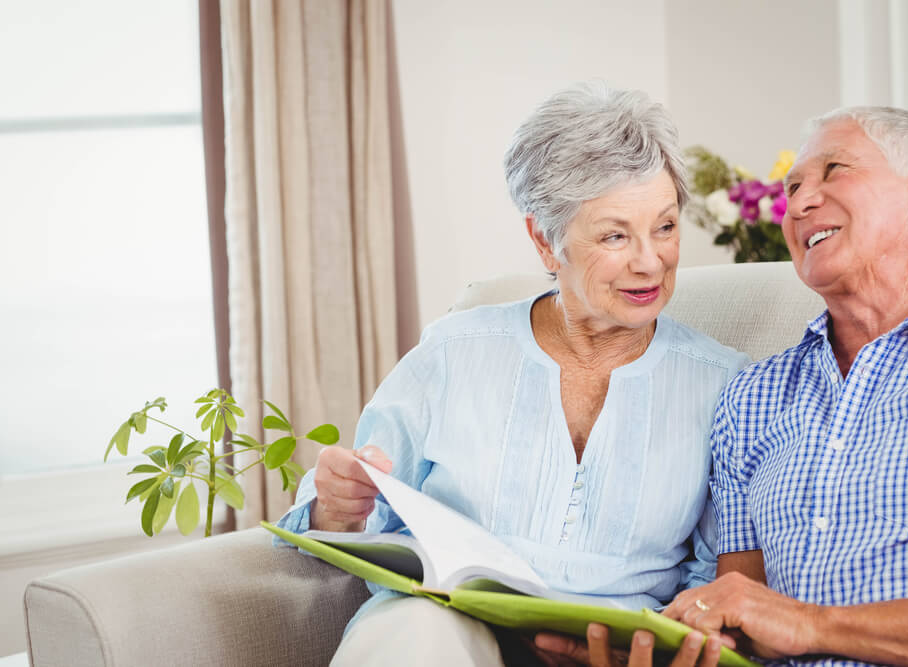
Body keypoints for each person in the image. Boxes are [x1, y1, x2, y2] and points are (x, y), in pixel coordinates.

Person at [273, 82, 747, 666]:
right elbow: (357, 513)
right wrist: (336, 507)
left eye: (667, 227)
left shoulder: (725, 384)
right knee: (416, 631)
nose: (650, 261)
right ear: (545, 242)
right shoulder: (455, 350)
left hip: (615, 651)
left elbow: (719, 573)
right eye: (614, 235)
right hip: (450, 632)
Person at [538, 106, 908, 666]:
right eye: (794, 187)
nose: (800, 203)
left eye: (834, 171)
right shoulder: (752, 397)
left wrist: (811, 626)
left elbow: (785, 623)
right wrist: (656, 647)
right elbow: (739, 622)